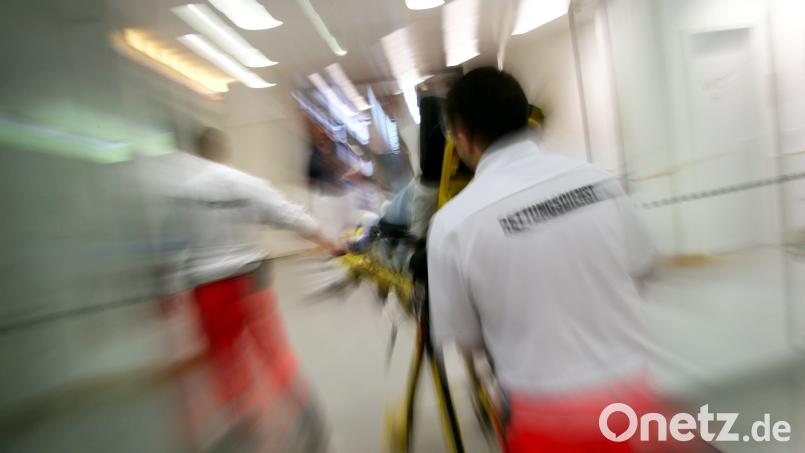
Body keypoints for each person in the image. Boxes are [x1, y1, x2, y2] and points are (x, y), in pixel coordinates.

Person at [426, 67, 678, 452]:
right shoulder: (598, 180)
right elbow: (644, 269)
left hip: (545, 416)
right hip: (634, 398)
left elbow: (465, 339)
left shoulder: (452, 225)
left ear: (460, 134)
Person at [181, 127, 340, 452]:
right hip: (249, 281)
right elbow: (289, 215)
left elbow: (172, 245)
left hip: (207, 287)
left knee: (227, 357)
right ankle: (302, 407)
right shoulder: (245, 182)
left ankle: (244, 418)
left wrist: (169, 289)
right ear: (222, 151)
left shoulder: (185, 191)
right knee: (271, 349)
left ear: (196, 152)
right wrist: (329, 242)